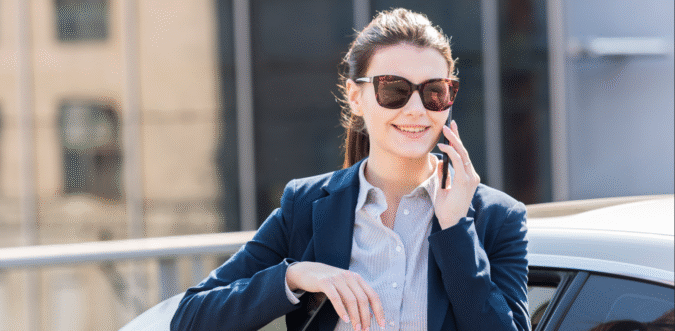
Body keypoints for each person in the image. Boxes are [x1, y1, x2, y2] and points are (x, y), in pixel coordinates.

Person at [171, 8, 529, 331]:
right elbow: (191, 318)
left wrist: (455, 233)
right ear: (356, 98)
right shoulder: (306, 205)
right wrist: (295, 275)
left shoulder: (495, 217)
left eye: (434, 91)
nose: (417, 109)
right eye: (395, 90)